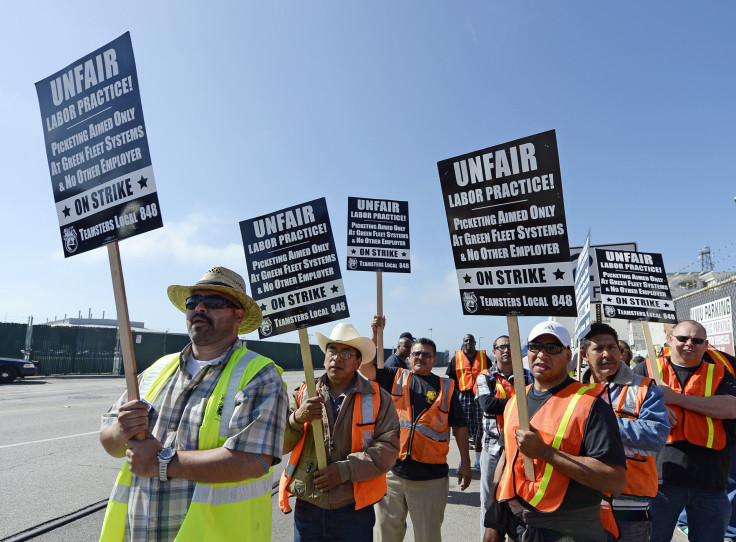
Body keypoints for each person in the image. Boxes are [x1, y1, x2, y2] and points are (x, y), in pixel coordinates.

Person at [99, 266, 288, 541]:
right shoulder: (157, 370)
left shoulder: (259, 374)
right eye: (192, 302)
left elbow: (253, 461)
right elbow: (109, 442)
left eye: (213, 302)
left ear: (238, 316)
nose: (199, 308)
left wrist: (163, 461)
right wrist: (120, 430)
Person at [495, 320, 626, 541]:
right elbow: (506, 459)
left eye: (553, 348)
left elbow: (615, 481)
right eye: (535, 346)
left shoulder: (590, 405)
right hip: (520, 524)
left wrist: (545, 453)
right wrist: (494, 519)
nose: (542, 354)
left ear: (568, 355)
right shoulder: (516, 399)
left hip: (571, 530)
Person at [279, 323, 400, 541]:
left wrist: (345, 471)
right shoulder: (303, 393)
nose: (336, 357)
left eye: (346, 352)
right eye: (332, 351)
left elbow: (388, 448)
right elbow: (280, 444)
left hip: (353, 510)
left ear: (358, 362)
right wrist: (297, 419)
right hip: (308, 507)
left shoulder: (378, 397)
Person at [363, 318, 472, 542]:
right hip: (392, 474)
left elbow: (460, 427)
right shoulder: (395, 376)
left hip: (429, 480)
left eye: (426, 354)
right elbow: (365, 368)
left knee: (427, 537)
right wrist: (375, 334)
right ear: (409, 357)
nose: (420, 357)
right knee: (386, 535)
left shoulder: (447, 387)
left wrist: (466, 463)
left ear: (434, 359)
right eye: (416, 353)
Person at [635, 320, 736, 542]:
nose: (690, 344)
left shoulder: (720, 372)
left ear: (706, 345)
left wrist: (675, 399)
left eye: (697, 340)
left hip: (711, 482)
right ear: (670, 340)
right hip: (659, 481)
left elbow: (731, 407)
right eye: (683, 338)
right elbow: (624, 405)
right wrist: (653, 405)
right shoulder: (647, 368)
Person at [580, 322, 670, 541]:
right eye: (598, 348)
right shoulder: (572, 391)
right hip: (584, 501)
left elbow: (657, 435)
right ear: (583, 355)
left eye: (612, 347)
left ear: (621, 352)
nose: (607, 353)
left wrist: (602, 424)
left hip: (631, 503)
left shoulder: (644, 388)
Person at [476, 334, 533, 541]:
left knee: (521, 501)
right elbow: (487, 405)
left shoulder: (528, 376)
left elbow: (536, 405)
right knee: (490, 501)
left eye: (510, 346)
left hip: (521, 450)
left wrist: (507, 404)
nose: (506, 350)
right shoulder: (485, 377)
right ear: (494, 351)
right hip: (493, 449)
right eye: (501, 347)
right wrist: (519, 403)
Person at [447, 333, 488, 470]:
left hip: (480, 396)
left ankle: (478, 461)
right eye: (466, 340)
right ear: (463, 343)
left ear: (475, 342)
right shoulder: (456, 358)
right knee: (462, 428)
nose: (469, 342)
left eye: (471, 340)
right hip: (462, 396)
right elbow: (451, 378)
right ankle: (463, 461)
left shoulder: (483, 357)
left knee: (479, 428)